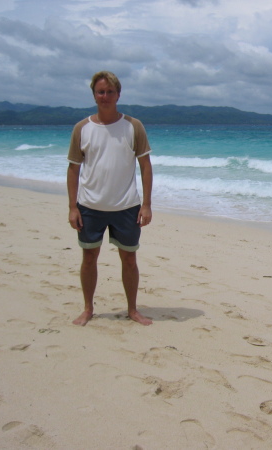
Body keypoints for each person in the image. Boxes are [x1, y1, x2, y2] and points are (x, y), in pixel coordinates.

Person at [67, 71, 153, 326]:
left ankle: (133, 310)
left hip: (126, 206)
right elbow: (74, 168)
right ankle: (87, 308)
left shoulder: (133, 126)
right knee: (89, 257)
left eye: (110, 92)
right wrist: (73, 207)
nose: (105, 97)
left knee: (129, 258)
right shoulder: (82, 128)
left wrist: (146, 204)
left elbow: (146, 165)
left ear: (118, 94)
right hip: (90, 206)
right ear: (94, 94)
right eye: (100, 92)